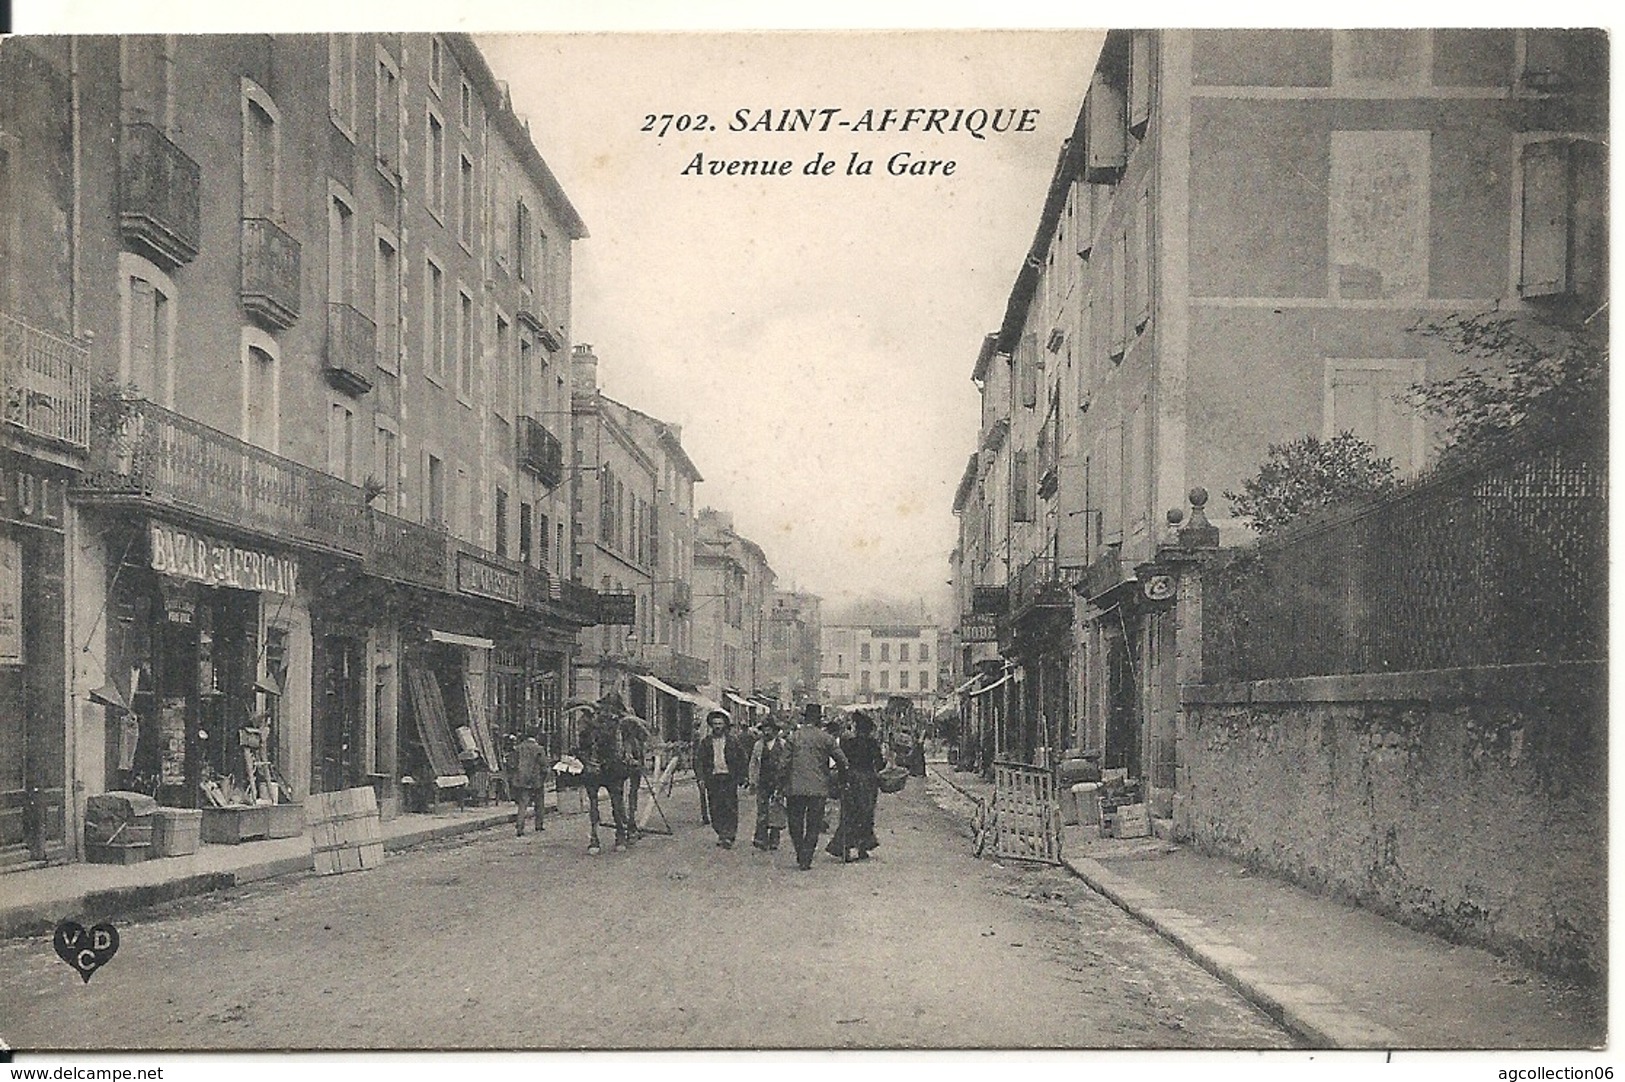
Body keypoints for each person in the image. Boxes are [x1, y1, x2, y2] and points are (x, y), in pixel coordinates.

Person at [785, 703, 848, 871]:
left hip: (795, 787)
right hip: (819, 787)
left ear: (804, 718)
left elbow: (783, 763)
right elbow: (842, 761)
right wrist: (841, 777)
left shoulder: (793, 737)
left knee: (795, 822)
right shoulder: (826, 738)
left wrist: (781, 783)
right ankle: (807, 856)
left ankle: (800, 851)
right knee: (813, 824)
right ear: (819, 720)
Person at [573, 700, 633, 854]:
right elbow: (582, 746)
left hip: (612, 766)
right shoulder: (587, 726)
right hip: (593, 764)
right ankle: (594, 838)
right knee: (593, 805)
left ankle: (620, 834)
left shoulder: (616, 723)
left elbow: (623, 741)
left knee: (616, 801)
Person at [828, 712, 883, 861]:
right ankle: (862, 848)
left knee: (848, 813)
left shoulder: (849, 743)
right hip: (867, 780)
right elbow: (880, 764)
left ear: (856, 729)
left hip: (851, 779)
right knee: (866, 813)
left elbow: (842, 762)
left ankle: (844, 847)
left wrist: (842, 779)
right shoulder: (872, 743)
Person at [694, 709, 748, 847]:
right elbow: (699, 760)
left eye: (720, 723)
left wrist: (742, 775)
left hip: (729, 777)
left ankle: (729, 835)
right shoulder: (706, 742)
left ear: (725, 725)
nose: (718, 726)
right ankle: (720, 832)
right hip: (713, 778)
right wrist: (700, 778)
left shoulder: (732, 741)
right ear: (711, 725)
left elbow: (742, 758)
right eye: (715, 724)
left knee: (730, 806)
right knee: (715, 807)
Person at [748, 716, 791, 851]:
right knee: (762, 810)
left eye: (770, 730)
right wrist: (752, 781)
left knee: (776, 810)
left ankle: (774, 839)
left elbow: (788, 764)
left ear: (775, 731)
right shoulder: (758, 745)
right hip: (763, 781)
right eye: (765, 730)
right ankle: (760, 838)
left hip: (778, 782)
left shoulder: (783, 744)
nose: (767, 733)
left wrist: (786, 782)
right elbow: (753, 764)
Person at [508, 729, 549, 837]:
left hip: (521, 780)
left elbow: (512, 764)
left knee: (523, 804)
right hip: (536, 780)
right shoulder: (539, 749)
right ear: (536, 737)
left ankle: (520, 827)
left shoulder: (518, 748)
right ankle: (539, 825)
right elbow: (544, 765)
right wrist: (544, 776)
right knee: (539, 803)